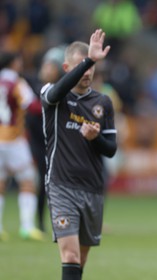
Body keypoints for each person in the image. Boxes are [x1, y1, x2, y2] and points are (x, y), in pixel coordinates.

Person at [40, 29, 117, 280]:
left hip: (92, 188)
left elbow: (111, 149)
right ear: (67, 67)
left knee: (79, 261)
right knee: (70, 256)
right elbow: (55, 93)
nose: (87, 73)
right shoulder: (52, 95)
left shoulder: (103, 102)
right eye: (81, 66)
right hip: (61, 185)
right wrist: (90, 58)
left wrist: (96, 139)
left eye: (91, 67)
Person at [0, 51, 44, 241]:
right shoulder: (17, 83)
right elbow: (32, 106)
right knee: (27, 181)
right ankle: (27, 227)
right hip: (13, 139)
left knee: (0, 184)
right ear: (14, 63)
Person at [26, 44, 66, 232]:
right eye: (46, 65)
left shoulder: (58, 89)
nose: (46, 68)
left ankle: (53, 221)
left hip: (52, 142)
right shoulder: (31, 84)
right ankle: (37, 222)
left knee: (53, 183)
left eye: (51, 66)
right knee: (40, 181)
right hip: (32, 141)